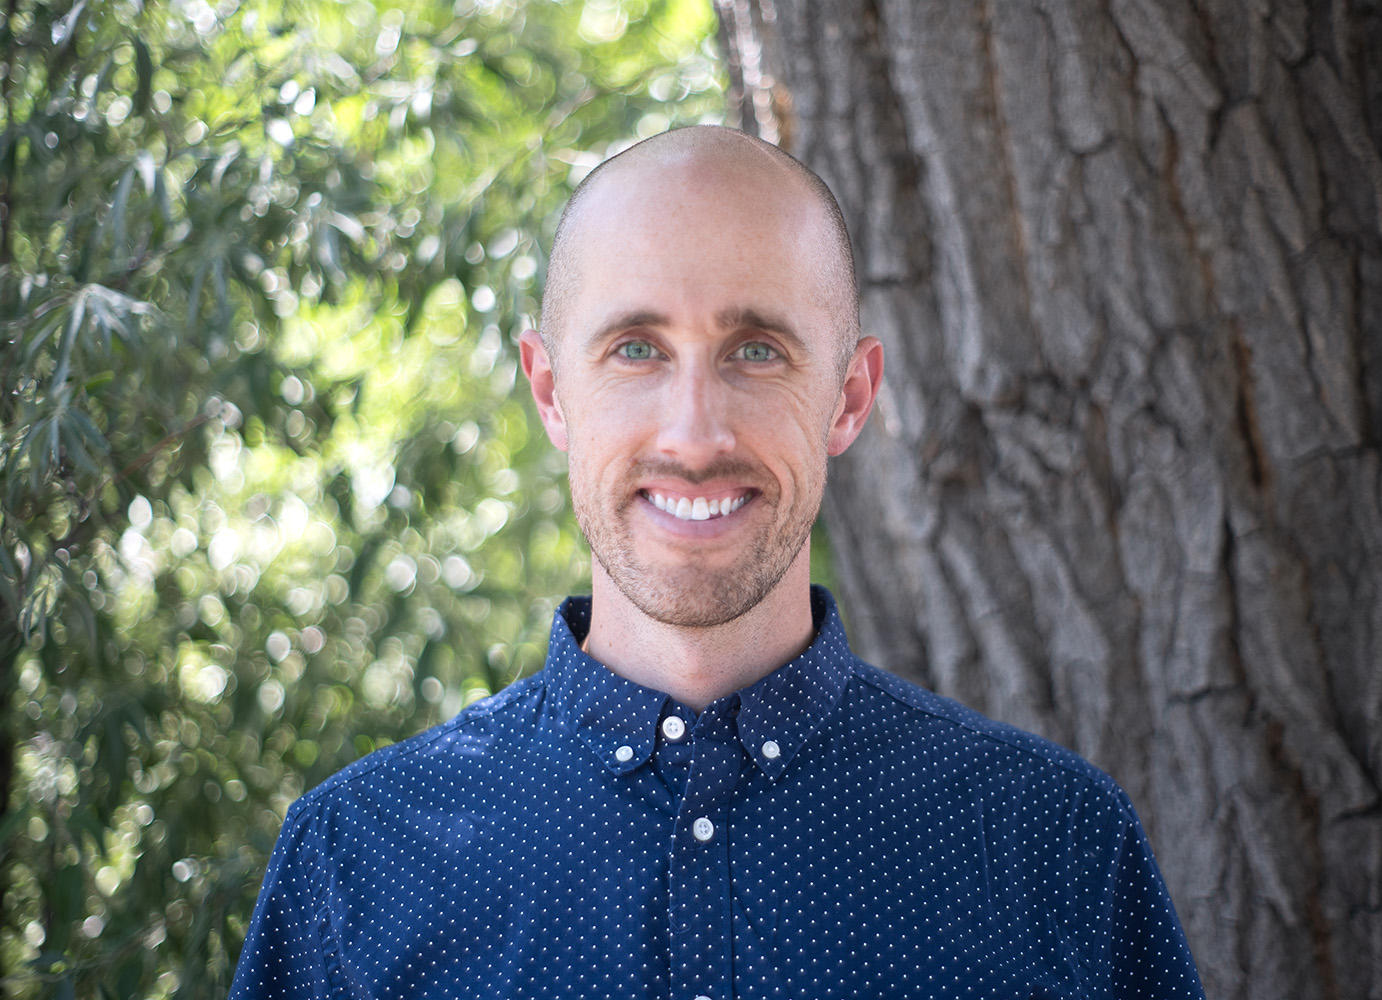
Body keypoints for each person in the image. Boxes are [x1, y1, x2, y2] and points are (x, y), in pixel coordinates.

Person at [229, 126, 1205, 999]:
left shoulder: (1054, 843)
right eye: (636, 349)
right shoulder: (359, 856)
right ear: (551, 390)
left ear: (850, 396)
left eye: (757, 350)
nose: (695, 434)